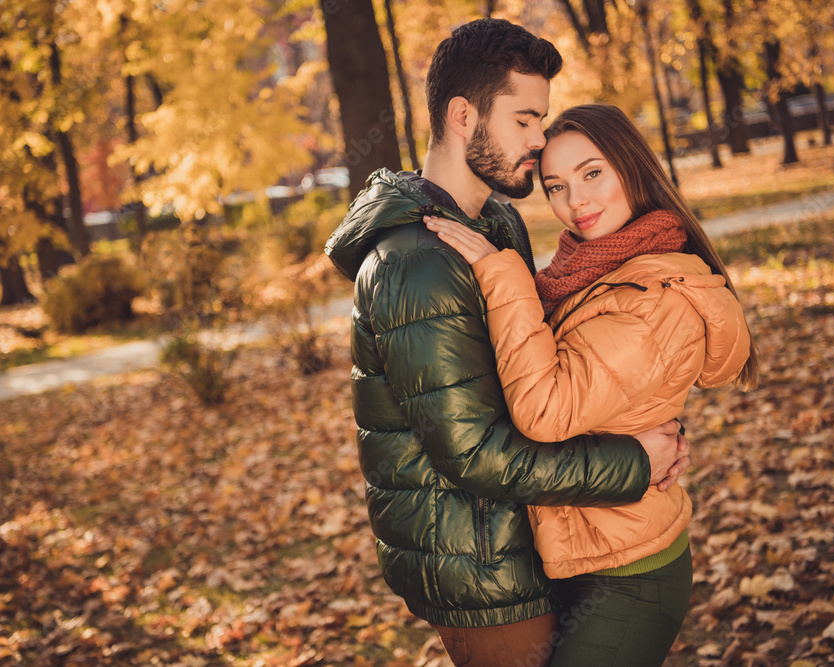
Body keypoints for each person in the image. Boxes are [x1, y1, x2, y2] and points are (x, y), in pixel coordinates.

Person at [324, 19, 691, 667]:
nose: (540, 139)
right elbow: (473, 455)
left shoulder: (496, 222)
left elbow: (549, 365)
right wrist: (633, 463)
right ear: (464, 116)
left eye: (541, 119)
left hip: (538, 533)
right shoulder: (414, 263)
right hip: (479, 563)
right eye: (524, 119)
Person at [423, 103, 760, 665]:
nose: (574, 201)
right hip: (579, 549)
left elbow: (545, 408)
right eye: (555, 185)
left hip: (631, 573)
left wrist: (502, 274)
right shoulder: (592, 271)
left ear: (632, 166)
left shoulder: (659, 299)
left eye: (592, 173)